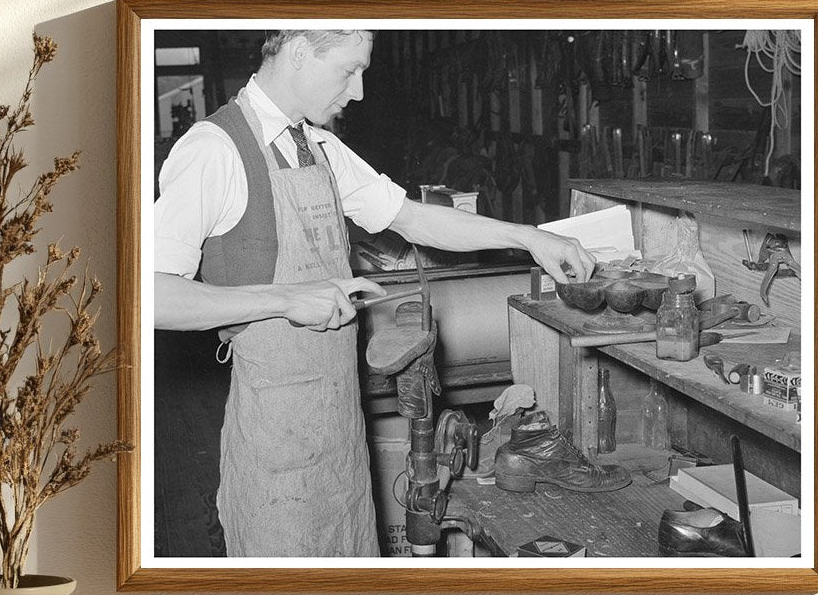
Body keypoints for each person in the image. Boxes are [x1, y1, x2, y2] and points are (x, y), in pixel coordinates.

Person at [154, 29, 594, 559]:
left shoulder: (316, 146)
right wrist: (286, 299)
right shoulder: (214, 149)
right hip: (275, 438)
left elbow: (412, 218)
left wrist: (529, 237)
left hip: (341, 429)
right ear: (299, 52)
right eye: (349, 70)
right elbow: (152, 296)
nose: (359, 91)